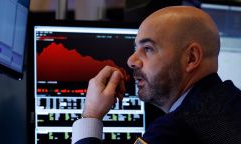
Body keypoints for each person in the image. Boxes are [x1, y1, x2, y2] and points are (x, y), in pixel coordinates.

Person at [72, 6, 241, 144]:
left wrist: (91, 115)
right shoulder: (232, 100)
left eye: (148, 48)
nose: (131, 61)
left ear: (191, 58)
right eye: (135, 48)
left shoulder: (173, 131)